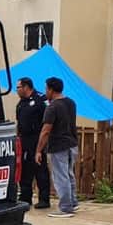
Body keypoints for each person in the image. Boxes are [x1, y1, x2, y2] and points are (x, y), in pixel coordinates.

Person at [35, 76, 79, 217]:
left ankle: (65, 208)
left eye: (46, 88)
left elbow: (46, 130)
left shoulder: (52, 107)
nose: (45, 91)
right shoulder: (71, 103)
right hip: (72, 143)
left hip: (59, 145)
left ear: (51, 89)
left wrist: (38, 150)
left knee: (61, 177)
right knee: (69, 174)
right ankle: (72, 202)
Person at [15, 77, 50, 208]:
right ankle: (25, 197)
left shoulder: (40, 99)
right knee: (24, 170)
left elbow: (48, 120)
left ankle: (44, 199)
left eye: (18, 87)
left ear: (26, 87)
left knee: (40, 169)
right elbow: (20, 122)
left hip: (37, 139)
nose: (17, 90)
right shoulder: (21, 103)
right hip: (24, 140)